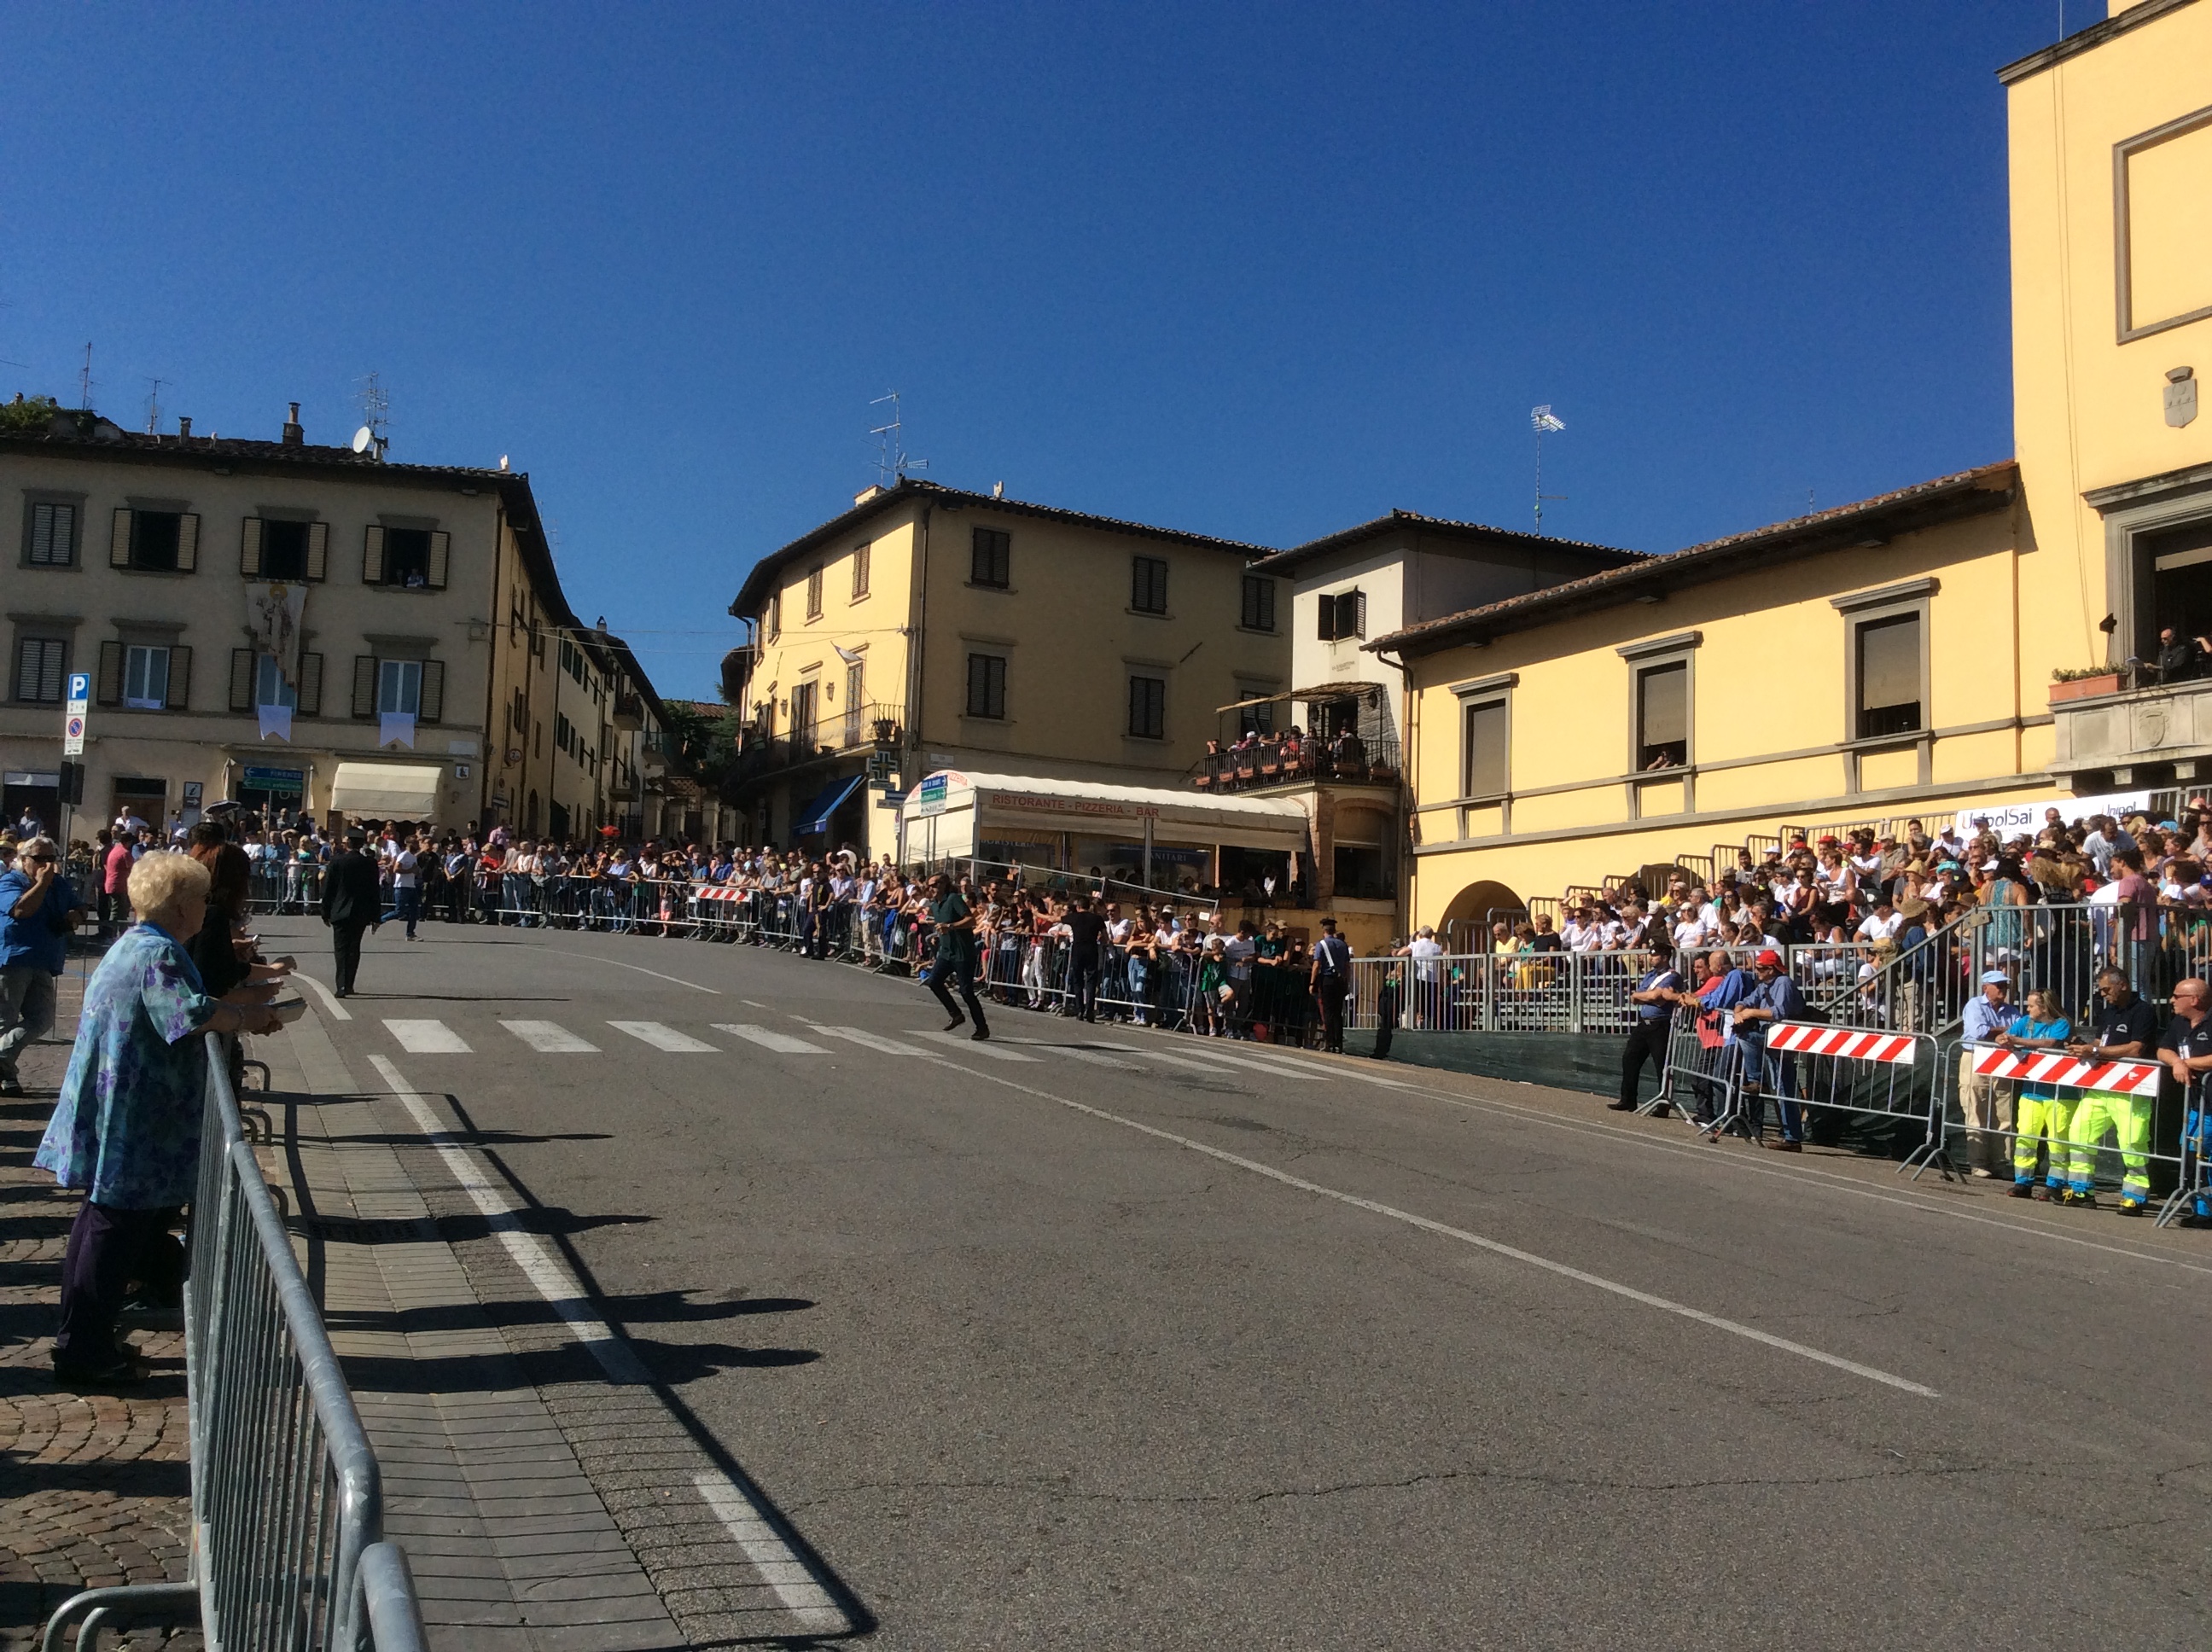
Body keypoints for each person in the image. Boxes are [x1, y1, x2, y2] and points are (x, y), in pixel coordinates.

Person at [34, 852, 282, 1384]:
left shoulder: (141, 944)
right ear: (178, 905)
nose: (204, 908)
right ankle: (85, 1351)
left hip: (124, 1104)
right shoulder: (156, 952)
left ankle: (84, 1342)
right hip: (134, 1112)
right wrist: (247, 1016)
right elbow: (186, 1014)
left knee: (103, 1222)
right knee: (112, 1227)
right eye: (198, 898)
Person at [2062, 967, 2160, 1213]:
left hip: (2131, 1088)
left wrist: (2094, 1052)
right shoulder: (2108, 1013)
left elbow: (2135, 1048)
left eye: (2107, 989)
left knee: (2132, 1142)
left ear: (2123, 985)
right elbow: (2100, 1042)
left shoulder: (2144, 1012)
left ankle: (2135, 1196)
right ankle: (2081, 1189)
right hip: (2102, 1084)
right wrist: (2082, 1047)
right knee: (2079, 1131)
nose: (2103, 994)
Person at [0, 836, 87, 1096]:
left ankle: (2, 1057)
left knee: (42, 1019)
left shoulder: (58, 884)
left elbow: (79, 906)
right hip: (14, 958)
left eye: (51, 859)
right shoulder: (10, 882)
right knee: (5, 1020)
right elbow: (21, 910)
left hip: (45, 959)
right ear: (24, 860)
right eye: (39, 859)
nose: (46, 864)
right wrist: (42, 883)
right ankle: (7, 1077)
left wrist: (76, 915)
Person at [1728, 949, 1808, 1150]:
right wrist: (1739, 1012)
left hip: (1783, 1039)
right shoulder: (1764, 985)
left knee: (1784, 1086)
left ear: (1772, 969)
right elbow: (1745, 1001)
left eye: (1761, 969)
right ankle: (1790, 1135)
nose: (1757, 972)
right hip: (1771, 1038)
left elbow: (1779, 1012)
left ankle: (1757, 1080)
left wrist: (1751, 1012)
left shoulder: (1783, 983)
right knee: (1782, 1087)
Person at [2157, 976, 2212, 1224]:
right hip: (2195, 1105)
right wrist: (2177, 1062)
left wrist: (2186, 1063)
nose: (2172, 1001)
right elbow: (2163, 1049)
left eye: (2177, 996)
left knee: (2206, 1155)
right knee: (2191, 1153)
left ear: (2195, 1000)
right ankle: (2201, 1209)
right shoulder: (2179, 1023)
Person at [1956, 969, 2017, 1178]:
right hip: (1975, 1057)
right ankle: (1978, 1162)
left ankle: (2002, 1161)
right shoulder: (1974, 1005)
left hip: (2002, 1061)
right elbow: (1978, 1031)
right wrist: (2004, 1031)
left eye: (2005, 985)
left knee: (2004, 1110)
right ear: (1985, 988)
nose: (2003, 989)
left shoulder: (2011, 1009)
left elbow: (2019, 1031)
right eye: (1998, 985)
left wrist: (2001, 1031)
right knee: (1976, 1108)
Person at [1613, 939, 1679, 1114]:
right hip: (1645, 1024)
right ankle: (1628, 1099)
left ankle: (1663, 1105)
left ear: (1665, 957)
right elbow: (1641, 994)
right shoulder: (1651, 975)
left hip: (1660, 1025)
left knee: (1662, 1066)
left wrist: (1643, 996)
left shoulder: (1672, 976)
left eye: (1655, 956)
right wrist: (1644, 995)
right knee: (1629, 1059)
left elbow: (1656, 996)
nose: (1652, 959)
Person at [923, 872, 988, 1038]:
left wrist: (950, 926)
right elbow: (941, 926)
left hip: (962, 953)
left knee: (966, 992)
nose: (932, 888)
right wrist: (940, 936)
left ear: (944, 884)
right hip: (946, 952)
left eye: (935, 884)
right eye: (930, 885)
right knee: (934, 982)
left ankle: (982, 1028)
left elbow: (971, 921)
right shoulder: (935, 905)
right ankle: (956, 1014)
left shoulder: (953, 899)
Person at [321, 827, 383, 998]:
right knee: (354, 949)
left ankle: (341, 985)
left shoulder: (337, 861)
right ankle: (349, 984)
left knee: (340, 950)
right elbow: (374, 891)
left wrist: (325, 911)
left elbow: (328, 890)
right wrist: (376, 916)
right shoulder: (369, 863)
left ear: (347, 842)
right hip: (360, 912)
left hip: (339, 911)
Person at [1310, 917, 1352, 1053]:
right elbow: (1347, 966)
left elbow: (1316, 965)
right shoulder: (1343, 945)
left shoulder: (1321, 944)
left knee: (1328, 1012)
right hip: (1340, 981)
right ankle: (1339, 1043)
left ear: (1324, 930)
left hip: (1327, 980)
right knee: (1338, 1012)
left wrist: (1312, 982)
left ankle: (1330, 1042)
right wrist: (1347, 981)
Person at [1064, 894, 1108, 1023]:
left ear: (1078, 907)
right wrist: (1107, 942)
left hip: (1078, 950)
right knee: (1091, 981)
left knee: (1077, 980)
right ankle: (1089, 1011)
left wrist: (1036, 913)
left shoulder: (1074, 917)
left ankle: (1080, 1010)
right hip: (1092, 950)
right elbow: (1105, 936)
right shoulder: (1097, 918)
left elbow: (1053, 918)